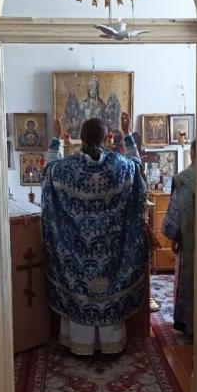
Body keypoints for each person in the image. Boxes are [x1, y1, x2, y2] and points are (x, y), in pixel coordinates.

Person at [41, 113, 147, 356]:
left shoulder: (67, 169)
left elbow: (47, 173)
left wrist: (56, 138)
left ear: (81, 138)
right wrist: (127, 134)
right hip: (112, 252)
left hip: (77, 253)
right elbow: (138, 168)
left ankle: (81, 343)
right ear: (106, 138)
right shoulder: (121, 166)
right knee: (110, 288)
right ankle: (112, 344)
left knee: (80, 287)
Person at [161, 140, 195, 342]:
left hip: (189, 240)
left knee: (189, 279)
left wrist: (174, 236)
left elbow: (175, 211)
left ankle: (187, 323)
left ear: (192, 154)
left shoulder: (182, 180)